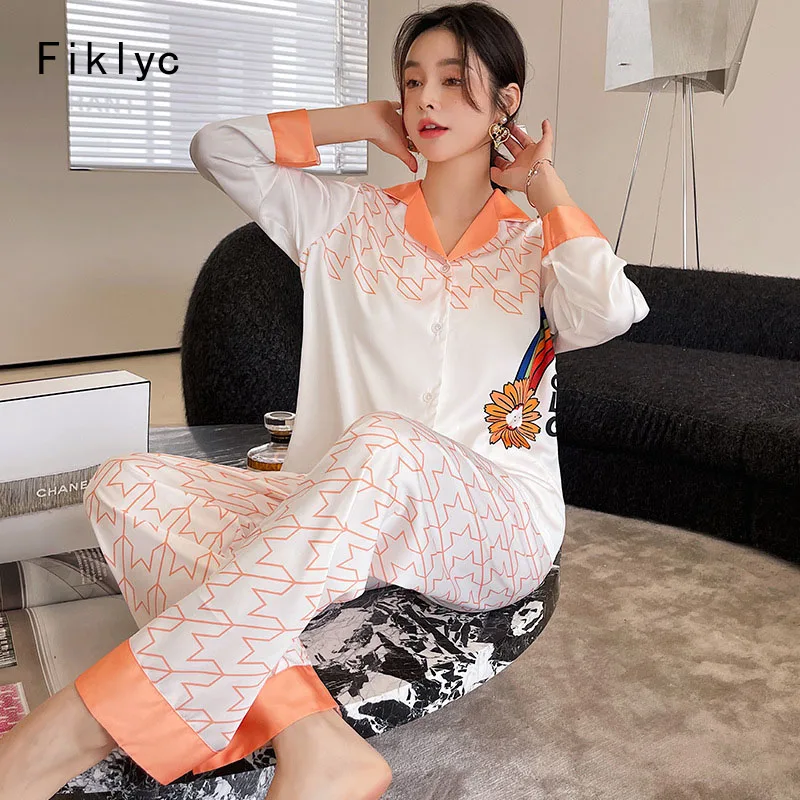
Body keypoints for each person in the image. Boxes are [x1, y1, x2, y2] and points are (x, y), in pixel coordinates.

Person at [0, 3, 649, 799]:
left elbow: (609, 311)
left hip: (492, 524)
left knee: (385, 442)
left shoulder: (535, 245)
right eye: (413, 82)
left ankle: (74, 726)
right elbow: (217, 147)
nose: (427, 100)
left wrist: (542, 183)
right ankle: (312, 738)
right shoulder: (346, 219)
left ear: (505, 102)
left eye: (455, 81)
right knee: (126, 483)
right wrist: (357, 121)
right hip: (338, 505)